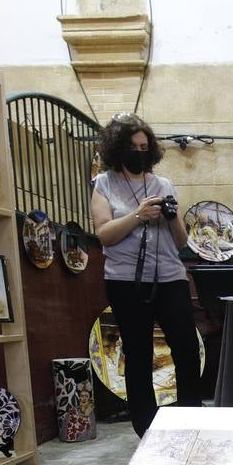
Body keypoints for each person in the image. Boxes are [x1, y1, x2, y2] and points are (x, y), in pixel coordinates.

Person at [91, 114, 199, 437]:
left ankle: (192, 418)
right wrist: (138, 216)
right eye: (133, 146)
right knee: (138, 353)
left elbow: (181, 241)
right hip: (125, 282)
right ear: (118, 148)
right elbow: (104, 234)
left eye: (144, 146)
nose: (139, 152)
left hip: (170, 277)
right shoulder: (104, 184)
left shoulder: (163, 185)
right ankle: (146, 427)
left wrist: (171, 215)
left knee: (186, 348)